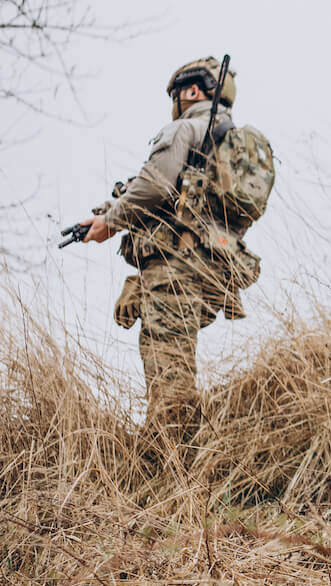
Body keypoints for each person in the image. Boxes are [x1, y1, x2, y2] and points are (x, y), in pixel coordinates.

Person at [76, 57, 272, 441]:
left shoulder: (186, 128)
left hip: (176, 267)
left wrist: (111, 222)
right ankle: (185, 446)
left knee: (168, 366)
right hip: (215, 267)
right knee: (177, 357)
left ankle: (173, 458)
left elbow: (155, 185)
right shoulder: (229, 143)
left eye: (177, 93)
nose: (175, 101)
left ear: (194, 91)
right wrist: (110, 210)